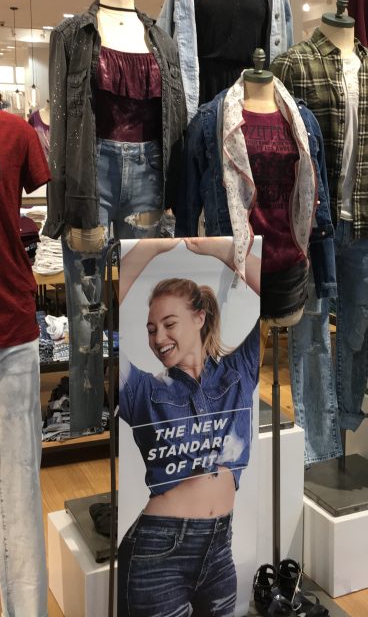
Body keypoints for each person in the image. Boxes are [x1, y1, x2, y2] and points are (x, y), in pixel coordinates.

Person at [113, 237, 261, 617]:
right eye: (151, 329)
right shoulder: (144, 391)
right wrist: (145, 251)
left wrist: (228, 252)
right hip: (156, 555)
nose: (158, 338)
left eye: (169, 324)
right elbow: (96, 328)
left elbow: (278, 299)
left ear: (200, 317)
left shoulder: (237, 374)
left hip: (219, 550)